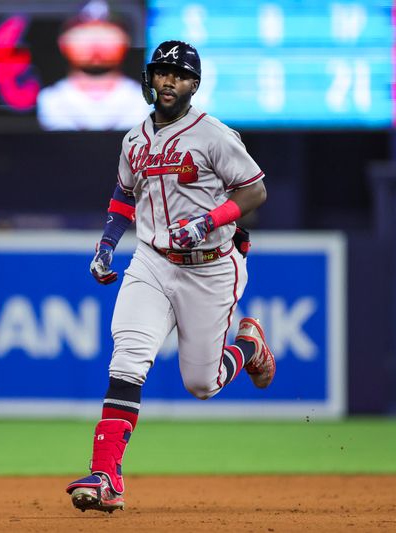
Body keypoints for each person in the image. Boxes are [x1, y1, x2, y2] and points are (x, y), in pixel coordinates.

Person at [65, 40, 276, 513]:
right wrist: (105, 243)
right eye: (161, 72)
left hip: (210, 267)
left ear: (193, 86)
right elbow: (124, 195)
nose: (168, 81)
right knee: (128, 358)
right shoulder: (134, 139)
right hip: (152, 262)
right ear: (149, 77)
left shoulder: (214, 135)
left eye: (179, 75)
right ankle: (106, 476)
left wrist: (209, 220)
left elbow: (255, 190)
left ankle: (249, 347)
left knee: (202, 384)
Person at [36, 0, 151, 131]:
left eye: (107, 35)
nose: (96, 44)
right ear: (63, 43)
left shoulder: (140, 100)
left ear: (126, 41)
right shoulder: (51, 99)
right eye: (83, 35)